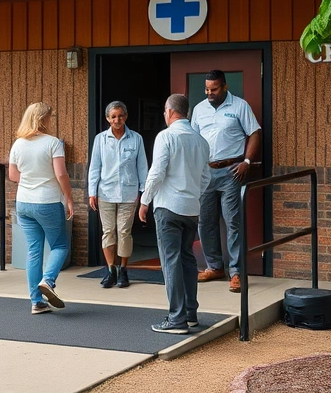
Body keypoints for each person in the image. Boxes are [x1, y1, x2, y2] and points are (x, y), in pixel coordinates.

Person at [139, 94, 211, 334]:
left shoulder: (166, 136)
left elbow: (156, 172)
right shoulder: (201, 141)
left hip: (168, 206)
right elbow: (206, 178)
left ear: (169, 111)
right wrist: (194, 195)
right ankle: (190, 313)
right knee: (188, 259)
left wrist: (144, 201)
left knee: (170, 261)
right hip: (192, 208)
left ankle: (176, 318)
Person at [190, 70, 262, 293]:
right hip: (205, 172)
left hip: (232, 171)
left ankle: (236, 272)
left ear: (225, 87)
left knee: (233, 222)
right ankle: (214, 267)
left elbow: (255, 133)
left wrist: (247, 161)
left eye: (214, 89)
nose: (210, 93)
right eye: (207, 89)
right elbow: (192, 139)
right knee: (205, 222)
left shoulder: (239, 106)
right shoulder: (199, 109)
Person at [8, 102, 75, 315]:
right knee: (60, 246)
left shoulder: (18, 144)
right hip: (48, 202)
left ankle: (36, 302)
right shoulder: (53, 143)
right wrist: (69, 198)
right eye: (49, 117)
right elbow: (61, 174)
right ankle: (48, 281)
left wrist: (30, 182)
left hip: (24, 203)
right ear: (43, 119)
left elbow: (13, 175)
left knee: (33, 250)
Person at [87, 101, 149, 288]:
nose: (117, 120)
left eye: (120, 116)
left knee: (124, 232)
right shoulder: (100, 139)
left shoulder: (136, 138)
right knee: (108, 232)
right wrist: (92, 192)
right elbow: (94, 166)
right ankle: (110, 270)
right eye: (113, 117)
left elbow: (142, 166)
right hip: (105, 192)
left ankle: (123, 270)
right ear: (108, 118)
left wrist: (143, 191)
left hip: (128, 193)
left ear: (126, 116)